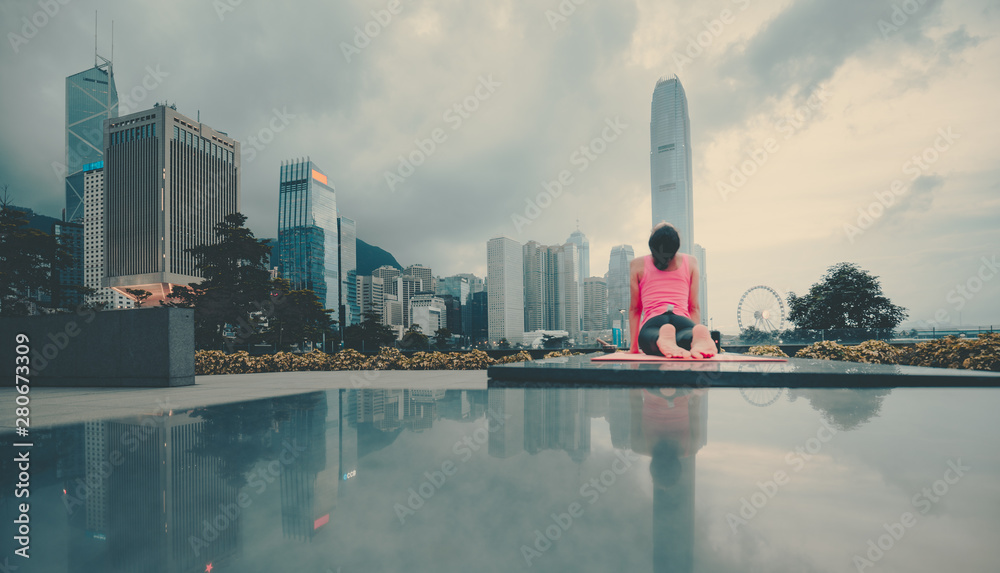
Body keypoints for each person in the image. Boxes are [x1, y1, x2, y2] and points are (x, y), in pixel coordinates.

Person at [628, 222, 716, 358]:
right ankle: (695, 340)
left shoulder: (637, 264)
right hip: (682, 319)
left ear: (652, 243)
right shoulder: (691, 262)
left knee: (652, 337)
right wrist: (694, 327)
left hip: (654, 320)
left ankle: (661, 337)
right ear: (676, 245)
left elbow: (635, 309)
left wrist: (633, 348)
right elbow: (694, 307)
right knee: (685, 337)